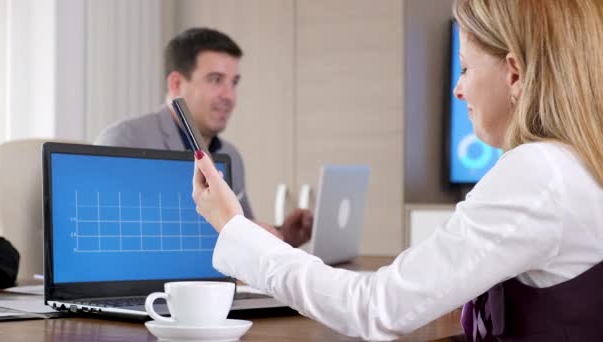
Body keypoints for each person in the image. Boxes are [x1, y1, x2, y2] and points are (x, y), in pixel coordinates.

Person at [191, 0, 603, 340]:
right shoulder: (575, 163)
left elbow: (373, 308)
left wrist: (233, 227)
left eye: (465, 67)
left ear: (514, 73)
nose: (459, 89)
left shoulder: (540, 172)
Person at [94, 28, 312, 247]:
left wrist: (283, 236)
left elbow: (242, 236)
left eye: (233, 82)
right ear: (176, 84)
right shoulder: (124, 140)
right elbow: (117, 239)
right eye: (216, 80)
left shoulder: (231, 155)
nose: (229, 96)